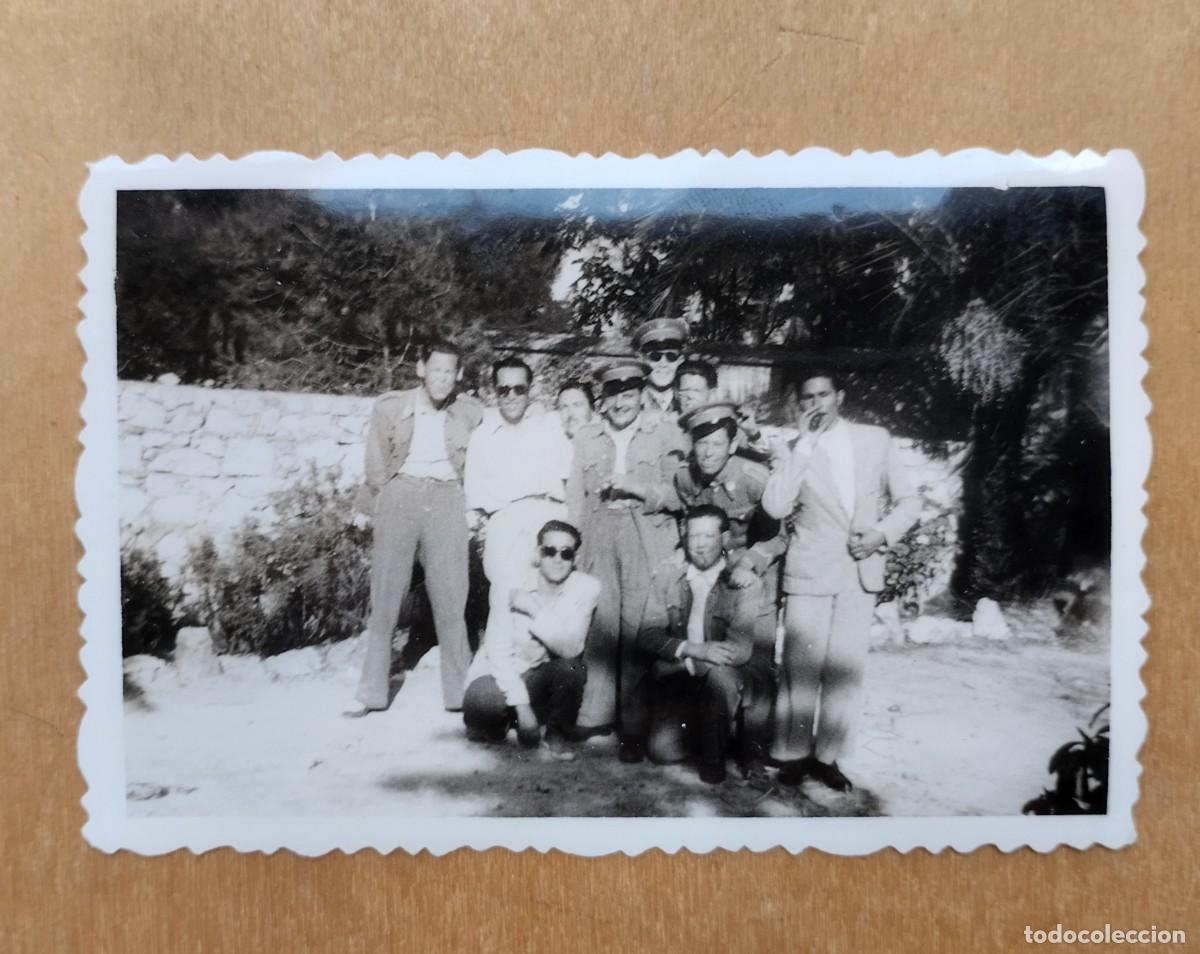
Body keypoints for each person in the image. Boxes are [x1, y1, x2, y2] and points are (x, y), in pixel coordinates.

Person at [762, 368, 921, 791]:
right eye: (807, 398)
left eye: (824, 394)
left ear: (840, 397)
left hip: (859, 571)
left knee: (845, 670)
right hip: (810, 571)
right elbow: (777, 506)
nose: (816, 404)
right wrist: (804, 446)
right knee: (801, 668)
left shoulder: (875, 439)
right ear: (798, 406)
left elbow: (909, 500)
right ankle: (792, 755)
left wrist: (882, 534)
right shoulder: (790, 448)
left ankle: (828, 757)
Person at [346, 339, 483, 716]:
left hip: (446, 497)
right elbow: (375, 465)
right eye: (435, 370)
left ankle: (460, 696)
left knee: (453, 596)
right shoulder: (391, 407)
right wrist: (383, 503)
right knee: (387, 596)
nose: (441, 379)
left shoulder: (470, 412)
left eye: (449, 372)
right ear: (421, 369)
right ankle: (372, 693)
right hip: (400, 493)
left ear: (458, 376)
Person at [566, 360, 687, 760]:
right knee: (601, 622)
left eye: (629, 393)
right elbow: (575, 499)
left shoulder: (666, 433)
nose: (621, 402)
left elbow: (679, 496)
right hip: (599, 531)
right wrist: (575, 547)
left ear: (641, 394)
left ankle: (633, 725)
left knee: (637, 625)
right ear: (602, 398)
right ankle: (595, 713)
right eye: (613, 394)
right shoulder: (587, 437)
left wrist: (637, 488)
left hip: (645, 533)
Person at [635, 505, 775, 784]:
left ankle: (715, 760)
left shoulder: (743, 582)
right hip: (688, 674)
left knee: (720, 677)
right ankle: (710, 730)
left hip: (730, 675)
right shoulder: (669, 576)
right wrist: (693, 649)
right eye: (692, 536)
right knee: (662, 752)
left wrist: (675, 659)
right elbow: (647, 635)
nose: (699, 545)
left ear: (724, 539)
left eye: (708, 537)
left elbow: (738, 652)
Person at [462, 520, 599, 760]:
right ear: (538, 554)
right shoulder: (509, 584)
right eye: (549, 551)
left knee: (572, 668)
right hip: (504, 674)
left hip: (543, 676)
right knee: (480, 700)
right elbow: (497, 652)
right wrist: (522, 707)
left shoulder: (586, 588)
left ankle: (554, 735)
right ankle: (514, 720)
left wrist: (535, 610)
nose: (557, 559)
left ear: (575, 559)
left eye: (566, 553)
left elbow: (571, 648)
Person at [464, 357, 573, 597]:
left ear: (530, 391)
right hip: (507, 521)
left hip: (551, 518)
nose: (511, 396)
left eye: (519, 389)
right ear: (495, 392)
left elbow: (570, 474)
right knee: (506, 603)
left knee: (552, 603)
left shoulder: (550, 426)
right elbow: (473, 492)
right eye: (503, 390)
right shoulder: (483, 436)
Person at [674, 359, 771, 461]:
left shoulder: (724, 424)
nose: (689, 396)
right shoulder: (667, 426)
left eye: (696, 390)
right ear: (676, 393)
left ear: (712, 393)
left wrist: (753, 433)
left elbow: (761, 457)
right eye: (684, 390)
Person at [631, 317, 688, 419]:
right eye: (655, 356)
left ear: (680, 360)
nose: (663, 364)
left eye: (671, 356)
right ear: (642, 360)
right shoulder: (629, 403)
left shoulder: (688, 401)